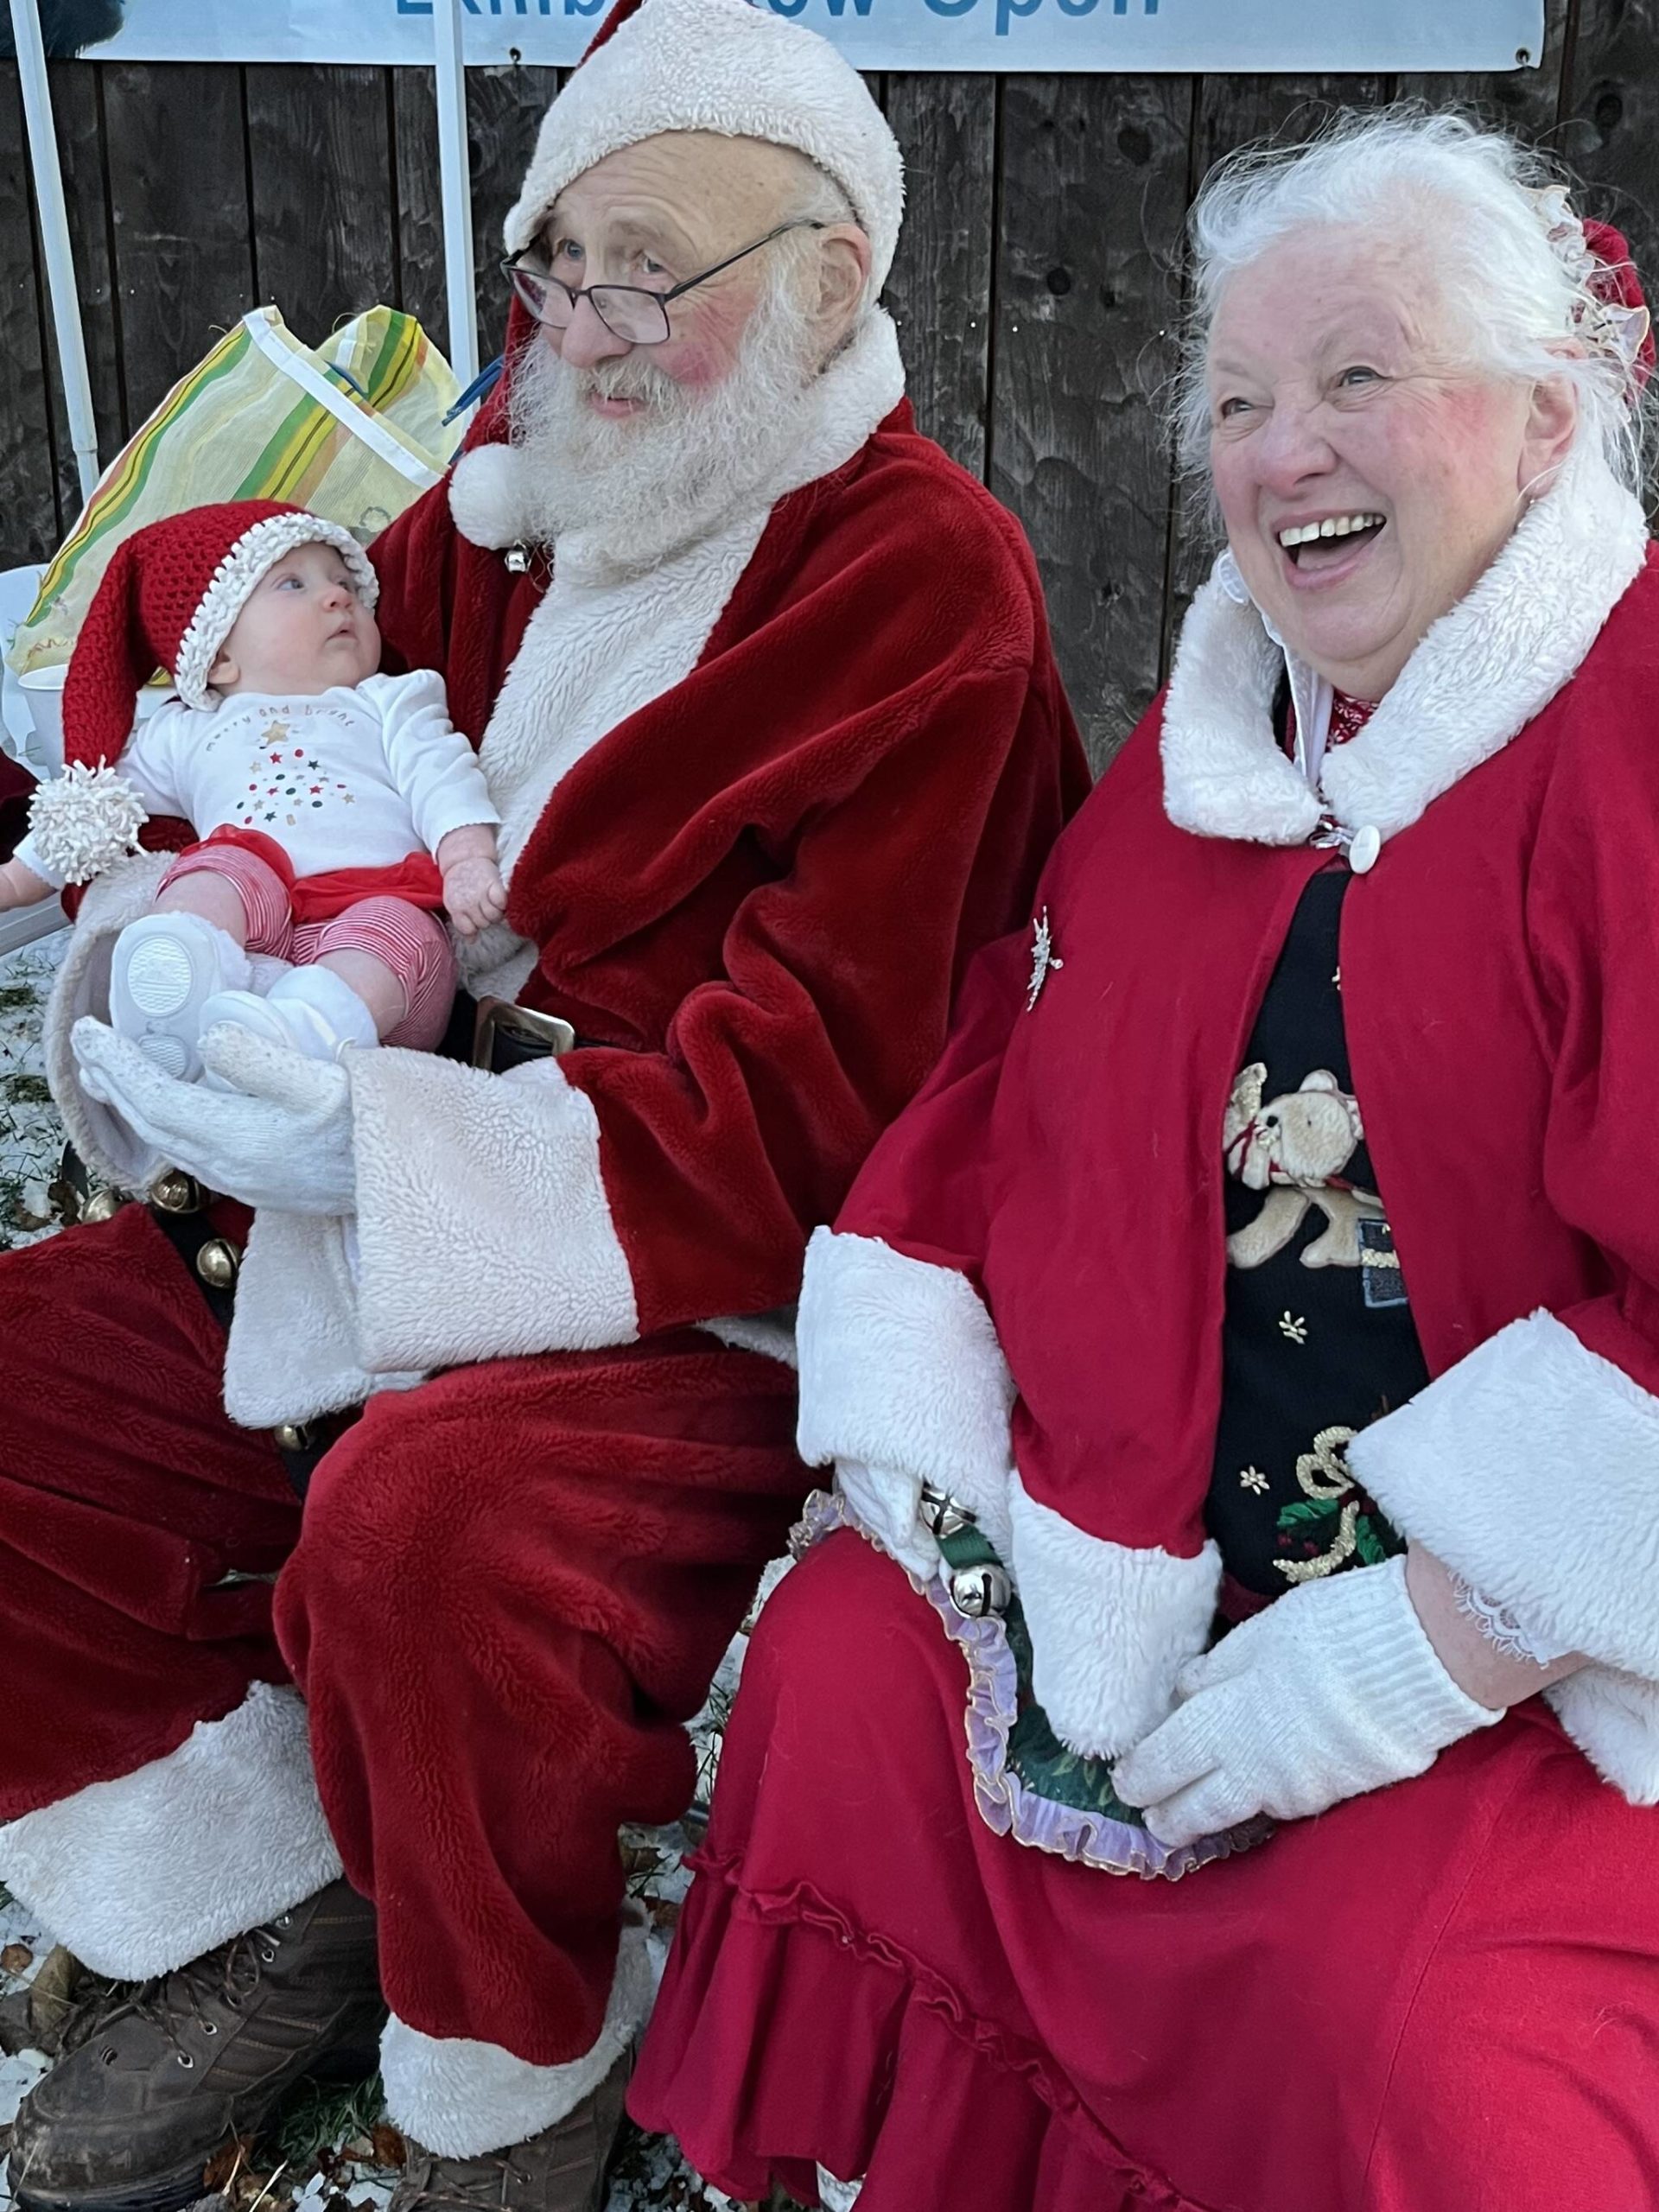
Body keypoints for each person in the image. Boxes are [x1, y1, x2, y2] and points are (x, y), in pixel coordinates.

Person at [0, 0, 1087, 2202]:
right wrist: (178, 976)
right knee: (27, 1390)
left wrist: (395, 1152)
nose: (573, 326)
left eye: (640, 272)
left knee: (429, 1537)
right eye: (554, 255)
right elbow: (304, 786)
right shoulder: (509, 502)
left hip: (699, 1273)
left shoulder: (918, 584)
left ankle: (512, 2045)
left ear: (825, 285)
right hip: (367, 1149)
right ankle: (284, 1882)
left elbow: (825, 1100)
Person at [632, 111, 1659, 2212]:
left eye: (1359, 377)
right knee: (836, 1669)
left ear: (1546, 420)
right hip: (1159, 1590)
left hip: (1541, 1664)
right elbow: (994, 1132)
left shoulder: (1630, 752)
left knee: (1413, 2039)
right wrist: (962, 1483)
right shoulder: (1197, 778)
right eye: (1238, 400)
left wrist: (1425, 1648)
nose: (1286, 452)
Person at [3, 503, 504, 1077]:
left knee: (399, 931)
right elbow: (94, 809)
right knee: (218, 868)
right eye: (293, 584)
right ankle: (178, 975)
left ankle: (301, 1041)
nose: (338, 596)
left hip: (374, 928)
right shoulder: (185, 730)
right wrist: (17, 880)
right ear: (217, 658)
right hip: (251, 947)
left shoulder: (392, 700)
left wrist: (467, 857)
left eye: (345, 584)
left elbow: (440, 773)